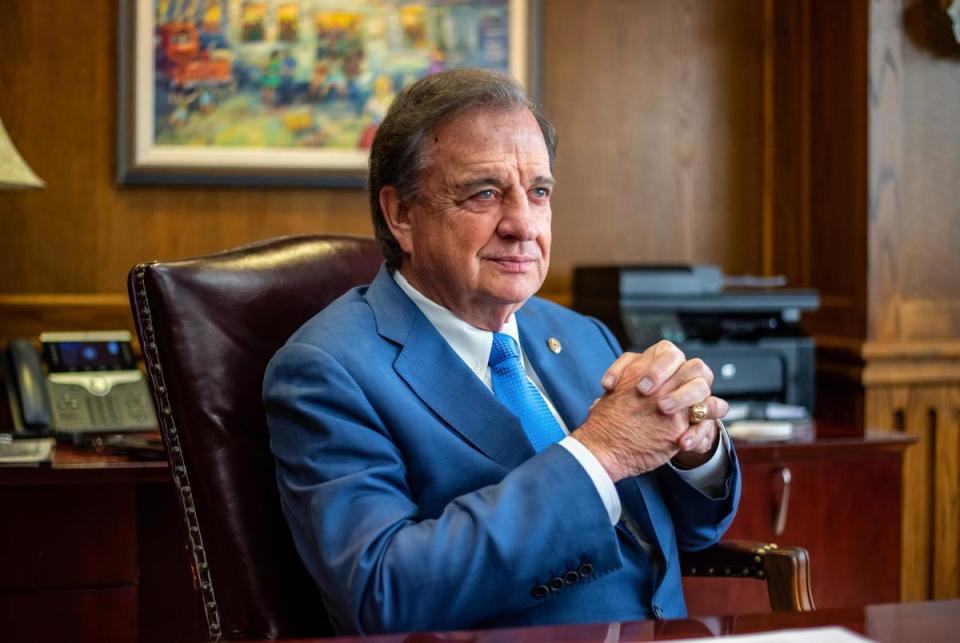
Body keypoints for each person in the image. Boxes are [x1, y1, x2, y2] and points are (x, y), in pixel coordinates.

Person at [263, 68, 740, 636]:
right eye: (484, 193)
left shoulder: (582, 335)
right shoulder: (328, 370)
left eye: (538, 192)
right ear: (401, 215)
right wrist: (601, 453)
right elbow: (378, 590)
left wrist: (694, 446)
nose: (522, 224)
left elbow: (693, 533)